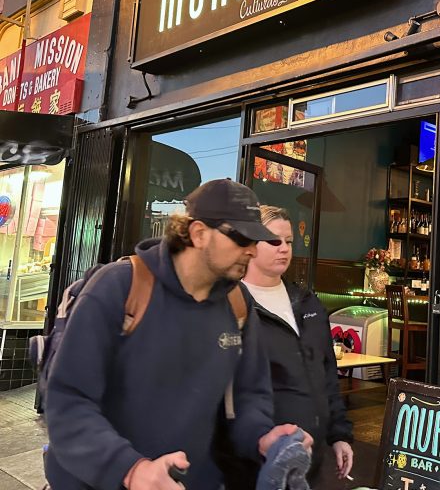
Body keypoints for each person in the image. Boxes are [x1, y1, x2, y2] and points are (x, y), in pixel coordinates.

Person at [44, 179, 312, 489]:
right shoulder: (119, 287)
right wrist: (132, 470)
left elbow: (248, 396)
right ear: (198, 233)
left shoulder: (237, 304)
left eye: (256, 239)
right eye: (241, 237)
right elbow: (68, 402)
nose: (252, 250)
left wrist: (262, 437)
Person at [240, 205, 354, 484]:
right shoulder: (234, 304)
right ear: (251, 245)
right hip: (257, 460)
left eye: (288, 242)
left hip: (311, 458)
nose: (284, 248)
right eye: (274, 241)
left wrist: (339, 434)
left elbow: (327, 372)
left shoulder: (307, 302)